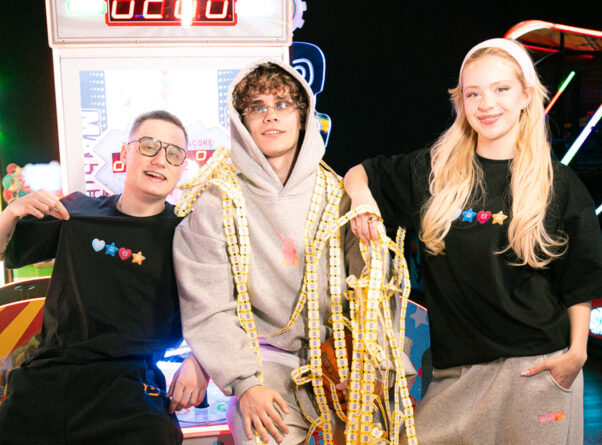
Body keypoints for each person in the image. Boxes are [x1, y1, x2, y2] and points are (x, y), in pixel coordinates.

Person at [344, 38, 602, 444]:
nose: (486, 104)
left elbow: (580, 279)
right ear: (461, 102)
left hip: (536, 370)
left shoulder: (558, 184)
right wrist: (362, 199)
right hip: (454, 374)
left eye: (501, 89)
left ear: (525, 96)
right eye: (473, 93)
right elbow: (361, 173)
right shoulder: (434, 172)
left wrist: (577, 354)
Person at [173, 61, 413, 445]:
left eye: (282, 104)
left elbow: (375, 292)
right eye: (257, 107)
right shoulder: (216, 202)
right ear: (241, 121)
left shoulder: (340, 195)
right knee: (264, 434)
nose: (270, 115)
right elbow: (208, 305)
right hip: (265, 362)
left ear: (302, 117)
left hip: (342, 359)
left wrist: (375, 363)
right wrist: (245, 384)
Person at [0, 110, 208, 445]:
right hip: (51, 375)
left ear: (182, 168)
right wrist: (11, 213)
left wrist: (201, 363)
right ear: (124, 153)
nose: (160, 160)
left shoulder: (187, 234)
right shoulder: (76, 212)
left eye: (174, 153)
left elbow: (223, 307)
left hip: (130, 385)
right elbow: (5, 250)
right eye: (149, 146)